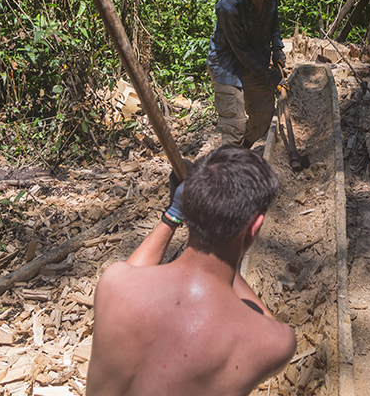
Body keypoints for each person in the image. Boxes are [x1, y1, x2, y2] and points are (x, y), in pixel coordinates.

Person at [85, 146, 295, 396]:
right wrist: (223, 244)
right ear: (255, 226)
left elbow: (133, 268)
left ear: (190, 208)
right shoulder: (275, 342)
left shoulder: (114, 283)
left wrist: (174, 216)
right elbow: (266, 323)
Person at [207, 0, 290, 148]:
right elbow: (241, 50)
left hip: (256, 61)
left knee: (264, 116)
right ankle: (231, 164)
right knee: (235, 125)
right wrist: (270, 75)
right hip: (227, 65)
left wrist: (277, 47)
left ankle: (242, 151)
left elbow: (274, 21)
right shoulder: (228, 7)